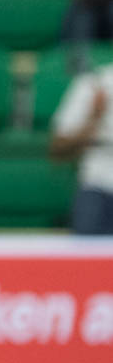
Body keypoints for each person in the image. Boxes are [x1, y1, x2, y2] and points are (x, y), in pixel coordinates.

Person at [50, 60, 113, 234]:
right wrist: (94, 117)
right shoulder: (96, 83)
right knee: (87, 230)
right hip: (99, 186)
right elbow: (58, 149)